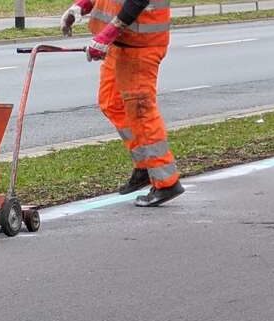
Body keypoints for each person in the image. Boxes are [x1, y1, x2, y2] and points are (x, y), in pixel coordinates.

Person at [63, 0, 185, 207]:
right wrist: (82, 5)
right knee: (112, 103)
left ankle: (166, 182)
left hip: (140, 46)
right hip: (120, 43)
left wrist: (106, 35)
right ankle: (146, 165)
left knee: (141, 112)